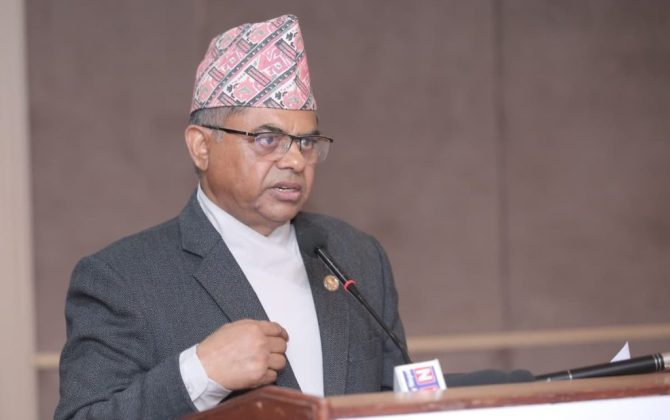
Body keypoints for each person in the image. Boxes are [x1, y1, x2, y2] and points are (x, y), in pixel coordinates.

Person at [55, 14, 406, 419]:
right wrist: (200, 373)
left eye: (306, 142)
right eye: (268, 139)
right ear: (201, 147)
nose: (295, 161)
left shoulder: (356, 255)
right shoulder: (121, 278)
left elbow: (395, 400)